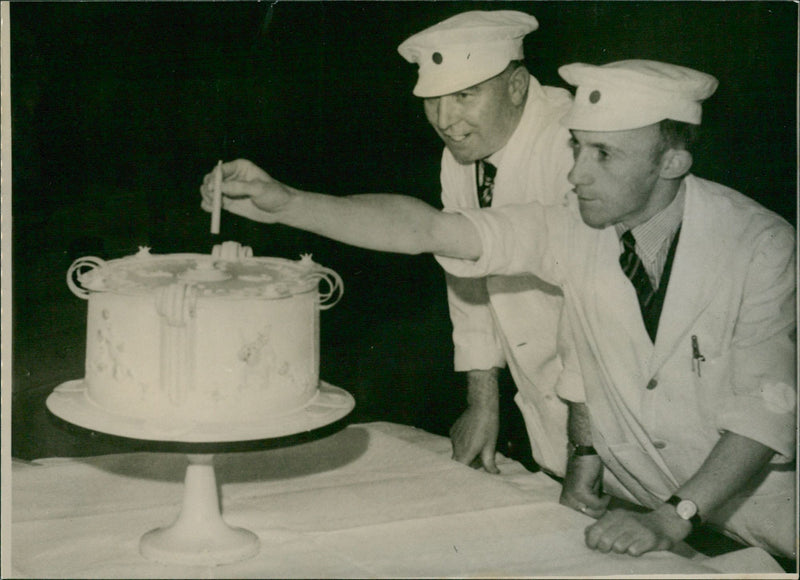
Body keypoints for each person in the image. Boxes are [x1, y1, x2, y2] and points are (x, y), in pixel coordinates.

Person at [200, 58, 796, 560]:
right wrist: (287, 203)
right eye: (577, 148)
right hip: (644, 507)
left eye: (604, 156)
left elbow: (764, 414)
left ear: (672, 163)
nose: (577, 175)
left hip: (762, 516)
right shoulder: (578, 228)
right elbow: (430, 229)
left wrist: (675, 517)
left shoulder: (762, 246)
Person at [397, 10, 577, 476]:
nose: (444, 120)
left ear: (516, 86)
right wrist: (483, 403)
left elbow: (598, 304)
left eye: (464, 95)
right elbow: (466, 272)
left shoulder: (572, 141)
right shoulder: (463, 149)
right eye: (432, 100)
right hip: (546, 403)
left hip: (612, 405)